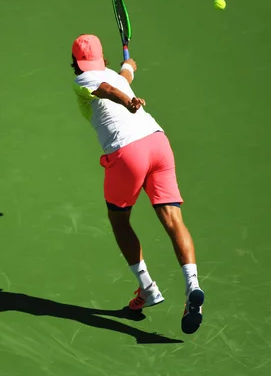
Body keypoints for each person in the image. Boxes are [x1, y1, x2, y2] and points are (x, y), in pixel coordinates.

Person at [70, 34, 205, 334]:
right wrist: (128, 68)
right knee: (173, 220)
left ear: (76, 64)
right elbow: (121, 77)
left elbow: (105, 90)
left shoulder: (83, 81)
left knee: (119, 220)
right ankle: (193, 287)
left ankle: (147, 288)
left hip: (128, 153)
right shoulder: (111, 73)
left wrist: (128, 100)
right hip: (158, 142)